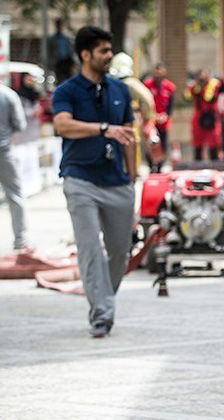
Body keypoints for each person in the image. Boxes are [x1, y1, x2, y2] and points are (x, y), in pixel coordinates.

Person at [52, 26, 137, 338]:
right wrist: (103, 129)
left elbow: (128, 136)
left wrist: (132, 180)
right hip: (80, 180)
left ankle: (105, 298)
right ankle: (101, 314)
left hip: (117, 182)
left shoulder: (120, 90)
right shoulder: (66, 92)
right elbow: (62, 126)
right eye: (102, 50)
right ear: (85, 55)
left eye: (109, 49)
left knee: (120, 251)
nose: (108, 55)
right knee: (90, 250)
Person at [109, 52, 156, 171]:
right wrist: (147, 117)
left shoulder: (111, 83)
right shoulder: (130, 83)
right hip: (125, 123)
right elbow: (147, 99)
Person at [0, 81, 30, 252]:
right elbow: (20, 124)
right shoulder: (8, 95)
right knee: (15, 196)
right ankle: (20, 240)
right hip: (4, 151)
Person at [143, 63, 176, 173]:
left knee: (163, 145)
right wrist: (151, 115)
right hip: (150, 121)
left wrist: (166, 115)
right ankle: (150, 165)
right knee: (150, 144)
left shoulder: (169, 87)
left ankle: (160, 167)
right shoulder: (147, 85)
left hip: (163, 122)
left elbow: (171, 104)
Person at [185, 70, 222, 161]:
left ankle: (215, 163)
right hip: (198, 117)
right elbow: (187, 97)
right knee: (197, 142)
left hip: (211, 116)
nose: (202, 80)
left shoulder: (213, 85)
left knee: (213, 141)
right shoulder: (194, 87)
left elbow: (212, 96)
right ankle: (198, 164)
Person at [47, 19, 75, 84]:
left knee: (70, 80)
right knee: (60, 80)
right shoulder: (52, 38)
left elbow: (72, 48)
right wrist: (51, 62)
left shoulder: (68, 37)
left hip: (68, 61)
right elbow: (50, 52)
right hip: (58, 62)